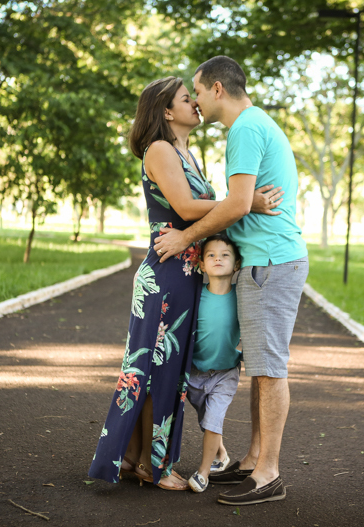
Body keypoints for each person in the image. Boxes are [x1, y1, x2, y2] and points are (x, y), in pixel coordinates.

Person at [87, 76, 284, 490]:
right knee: (154, 369)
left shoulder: (187, 153)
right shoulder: (159, 149)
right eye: (185, 98)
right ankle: (151, 466)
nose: (195, 102)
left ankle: (133, 457)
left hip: (185, 272)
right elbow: (185, 206)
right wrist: (245, 203)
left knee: (165, 368)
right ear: (165, 111)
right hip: (165, 273)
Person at [154, 56, 309, 505]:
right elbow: (243, 202)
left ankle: (268, 474)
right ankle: (254, 461)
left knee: (269, 370)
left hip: (270, 262)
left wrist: (185, 236)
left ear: (218, 88)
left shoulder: (243, 129)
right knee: (261, 369)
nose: (197, 102)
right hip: (266, 261)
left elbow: (239, 204)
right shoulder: (255, 124)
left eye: (199, 92)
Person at [186, 234, 242, 493]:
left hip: (225, 372)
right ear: (201, 264)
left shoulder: (242, 298)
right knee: (207, 421)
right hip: (195, 372)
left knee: (212, 420)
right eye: (211, 255)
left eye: (225, 255)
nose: (218, 259)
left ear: (237, 263)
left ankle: (203, 473)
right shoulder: (195, 297)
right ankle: (221, 454)